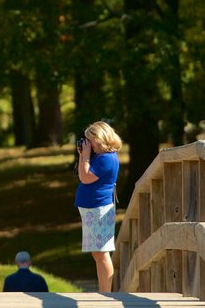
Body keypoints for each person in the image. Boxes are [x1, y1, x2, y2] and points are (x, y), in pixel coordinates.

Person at [75, 120, 123, 293]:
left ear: (100, 138)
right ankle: (104, 292)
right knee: (97, 253)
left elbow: (86, 177)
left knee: (102, 253)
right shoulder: (101, 157)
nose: (90, 144)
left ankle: (106, 294)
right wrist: (83, 155)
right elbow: (83, 175)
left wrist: (86, 156)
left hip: (99, 209)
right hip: (92, 208)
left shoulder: (107, 159)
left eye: (91, 140)